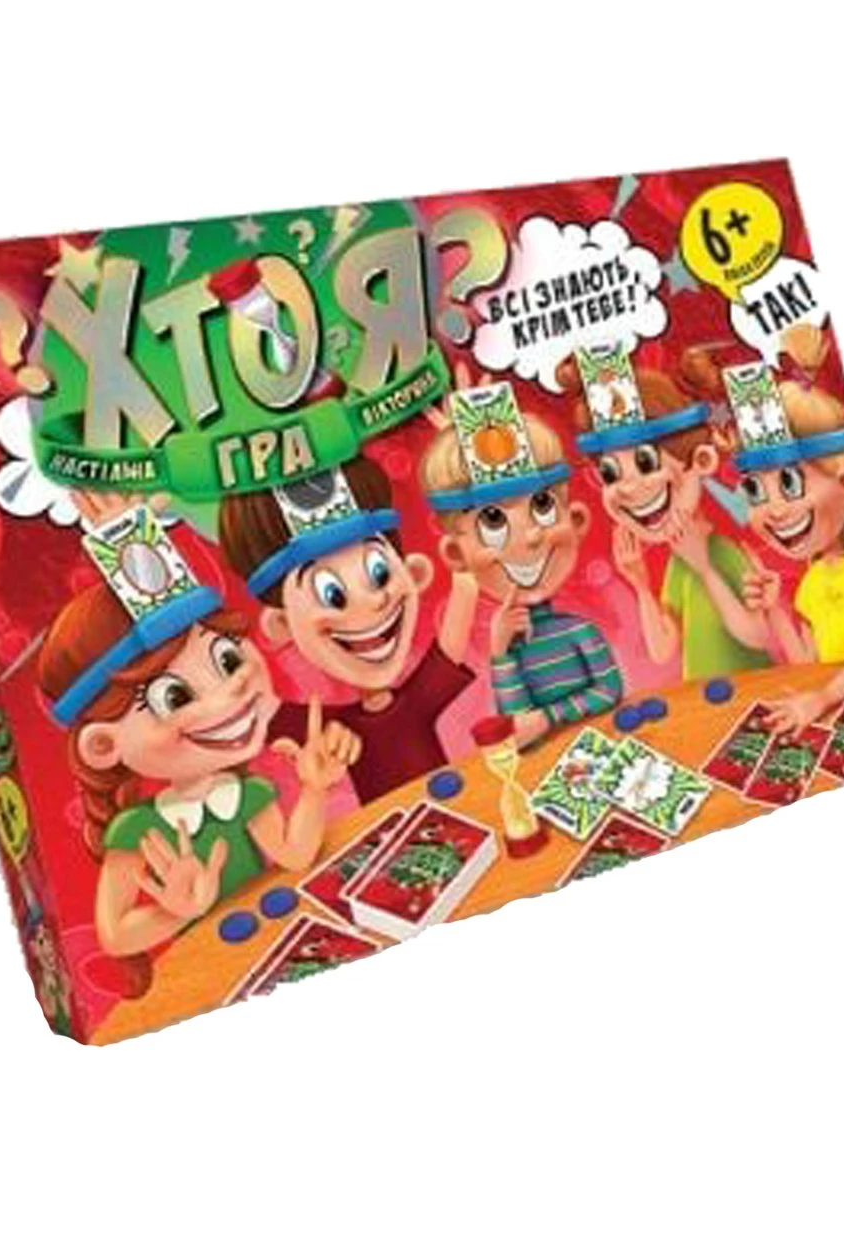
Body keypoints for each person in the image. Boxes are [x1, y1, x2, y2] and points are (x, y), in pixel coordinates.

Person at [38, 508, 358, 995]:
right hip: (210, 981)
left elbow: (294, 855)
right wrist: (176, 911)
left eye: (227, 659)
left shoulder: (247, 793)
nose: (231, 690)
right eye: (175, 696)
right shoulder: (138, 830)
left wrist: (315, 790)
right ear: (103, 745)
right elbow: (116, 935)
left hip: (280, 950)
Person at [218, 456, 479, 803]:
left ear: (414, 573)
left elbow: (450, 646)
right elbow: (261, 708)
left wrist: (465, 568)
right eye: (332, 594)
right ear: (281, 625)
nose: (371, 602)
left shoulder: (415, 702)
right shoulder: (328, 728)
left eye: (379, 573)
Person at [420, 380, 621, 749]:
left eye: (542, 505)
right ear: (456, 555)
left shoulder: (580, 632)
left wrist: (548, 718)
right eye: (493, 519)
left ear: (576, 520)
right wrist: (500, 653)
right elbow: (518, 730)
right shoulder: (511, 652)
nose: (529, 537)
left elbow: (609, 690)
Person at [558, 343, 773, 680]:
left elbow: (757, 635)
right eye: (611, 473)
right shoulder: (678, 562)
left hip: (756, 690)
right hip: (702, 699)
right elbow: (663, 650)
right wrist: (641, 585)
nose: (628, 488)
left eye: (645, 462)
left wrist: (706, 569)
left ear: (702, 461)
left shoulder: (725, 551)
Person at [729, 325, 844, 734]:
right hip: (831, 708)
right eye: (755, 490)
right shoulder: (812, 579)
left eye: (789, 483)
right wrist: (775, 609)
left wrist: (820, 699)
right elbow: (807, 662)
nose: (774, 510)